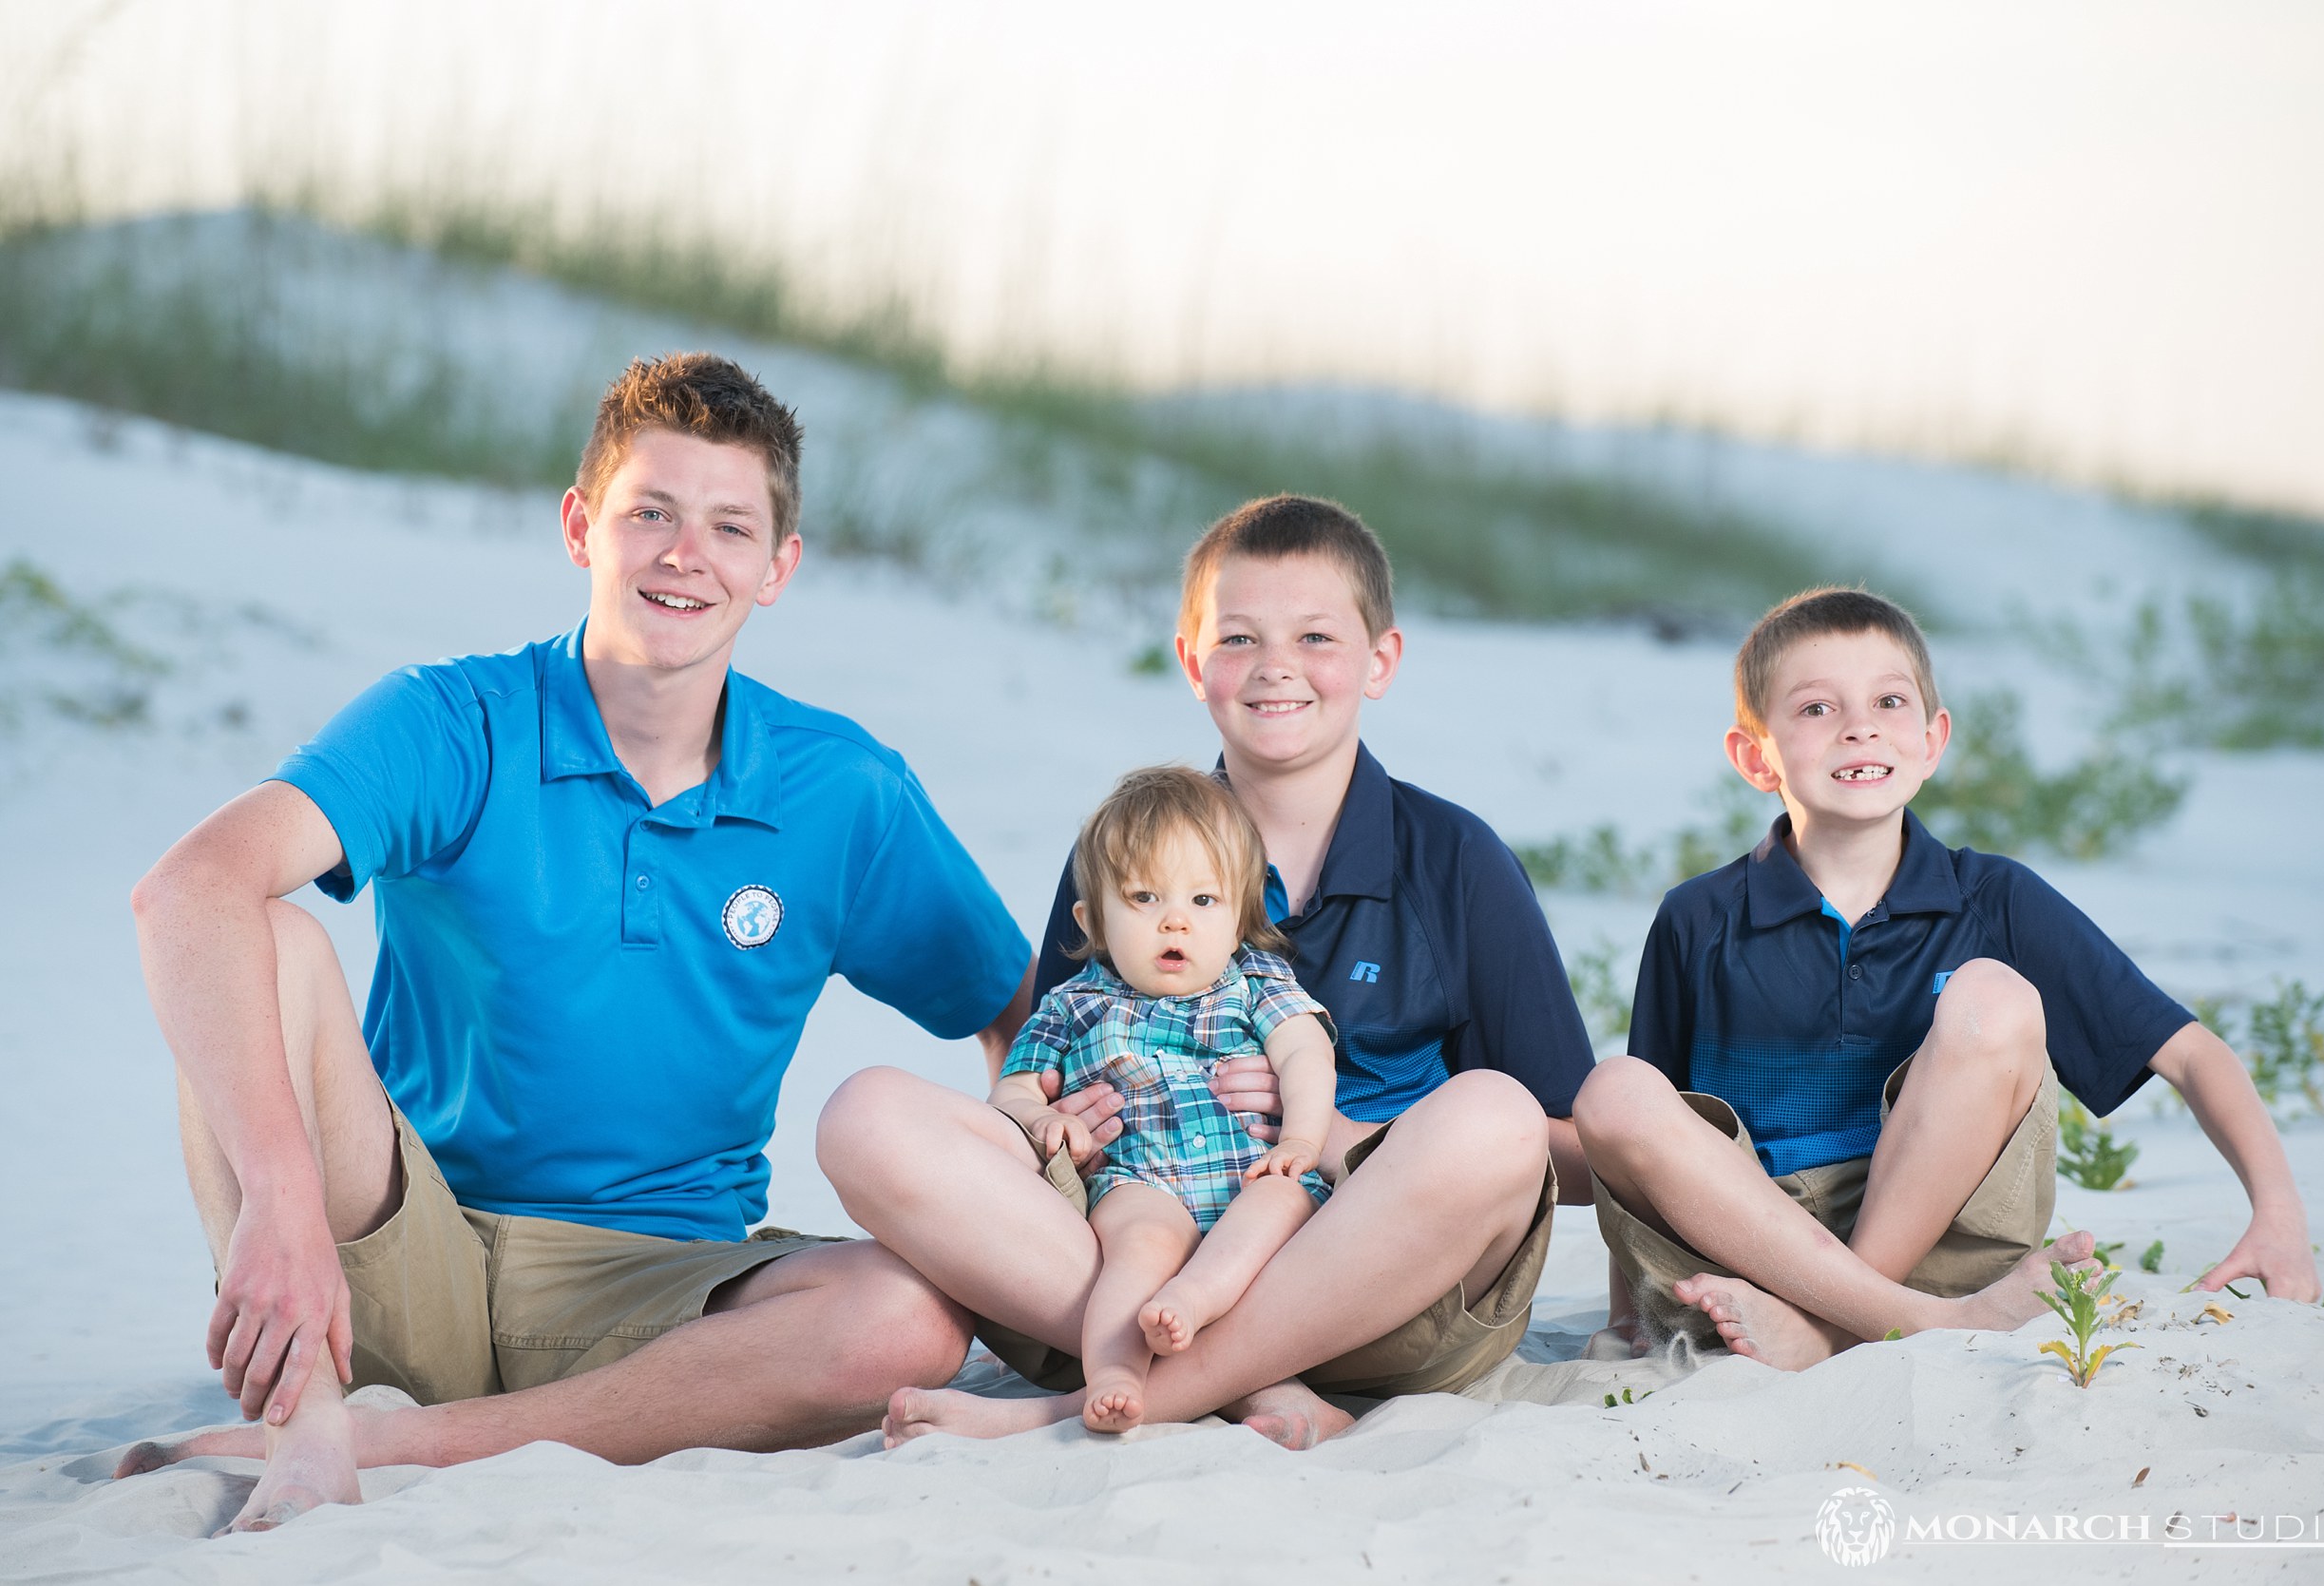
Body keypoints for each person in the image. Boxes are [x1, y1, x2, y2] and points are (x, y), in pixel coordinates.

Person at [113, 354, 1033, 1531]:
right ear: (579, 524)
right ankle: (310, 1413)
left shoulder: (841, 790)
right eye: (649, 511)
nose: (682, 552)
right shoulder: (454, 718)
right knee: (270, 938)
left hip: (655, 1296)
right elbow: (186, 891)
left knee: (906, 1321)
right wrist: (282, 1198)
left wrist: (1019, 1165)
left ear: (777, 567)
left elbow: (1021, 1005)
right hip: (403, 1238)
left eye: (728, 525)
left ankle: (402, 1439)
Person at [820, 494, 1597, 1448]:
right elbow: (1037, 1071)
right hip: (1135, 1259)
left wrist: (1337, 1133)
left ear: (1378, 660)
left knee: (1498, 1118)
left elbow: (1576, 1157)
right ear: (1193, 663)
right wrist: (1055, 1125)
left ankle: (1132, 1394)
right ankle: (1238, 1377)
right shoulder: (1123, 852)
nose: (1276, 666)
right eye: (1239, 638)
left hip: (1371, 1286)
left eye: (1315, 635)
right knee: (864, 1114)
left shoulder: (1457, 861)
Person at [1575, 587, 2320, 1370]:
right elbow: (1647, 1144)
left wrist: (2279, 1213)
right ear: (1756, 757)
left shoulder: (1994, 898)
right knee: (1614, 1088)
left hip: (1947, 1244)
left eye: (1889, 701)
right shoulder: (1697, 918)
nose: (1859, 725)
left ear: (1932, 741)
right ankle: (1895, 1320)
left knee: (1992, 998)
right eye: (1816, 709)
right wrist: (1629, 1312)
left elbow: (2194, 1053)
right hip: (1750, 1255)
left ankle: (1835, 1324)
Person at [993, 766, 1339, 1433]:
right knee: (1135, 1244)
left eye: (1203, 901)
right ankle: (1117, 1371)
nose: (1175, 919)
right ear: (1094, 919)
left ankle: (1195, 1296)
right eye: (1145, 897)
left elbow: (1306, 1052)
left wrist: (1300, 1140)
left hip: (1248, 1169)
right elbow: (1012, 1086)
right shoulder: (1074, 1005)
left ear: (1239, 918)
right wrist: (1039, 1114)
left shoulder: (1256, 981)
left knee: (1283, 1199)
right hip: (1139, 1177)